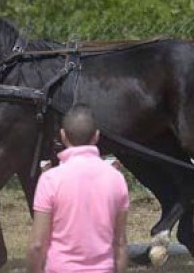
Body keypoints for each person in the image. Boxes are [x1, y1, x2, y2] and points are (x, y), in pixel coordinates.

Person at [27, 104, 129, 273]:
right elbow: (120, 244)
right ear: (96, 136)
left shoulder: (50, 180)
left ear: (62, 135)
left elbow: (37, 245)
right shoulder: (116, 179)